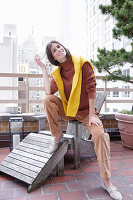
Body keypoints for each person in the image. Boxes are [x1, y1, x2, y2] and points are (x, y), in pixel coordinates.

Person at [34, 40, 122, 200]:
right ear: (52, 57)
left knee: (101, 136)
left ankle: (108, 182)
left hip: (86, 113)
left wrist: (92, 114)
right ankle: (56, 135)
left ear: (64, 47)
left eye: (58, 46)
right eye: (54, 50)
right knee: (47, 99)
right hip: (68, 110)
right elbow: (48, 90)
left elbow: (91, 88)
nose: (58, 50)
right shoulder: (57, 73)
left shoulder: (82, 64)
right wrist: (42, 68)